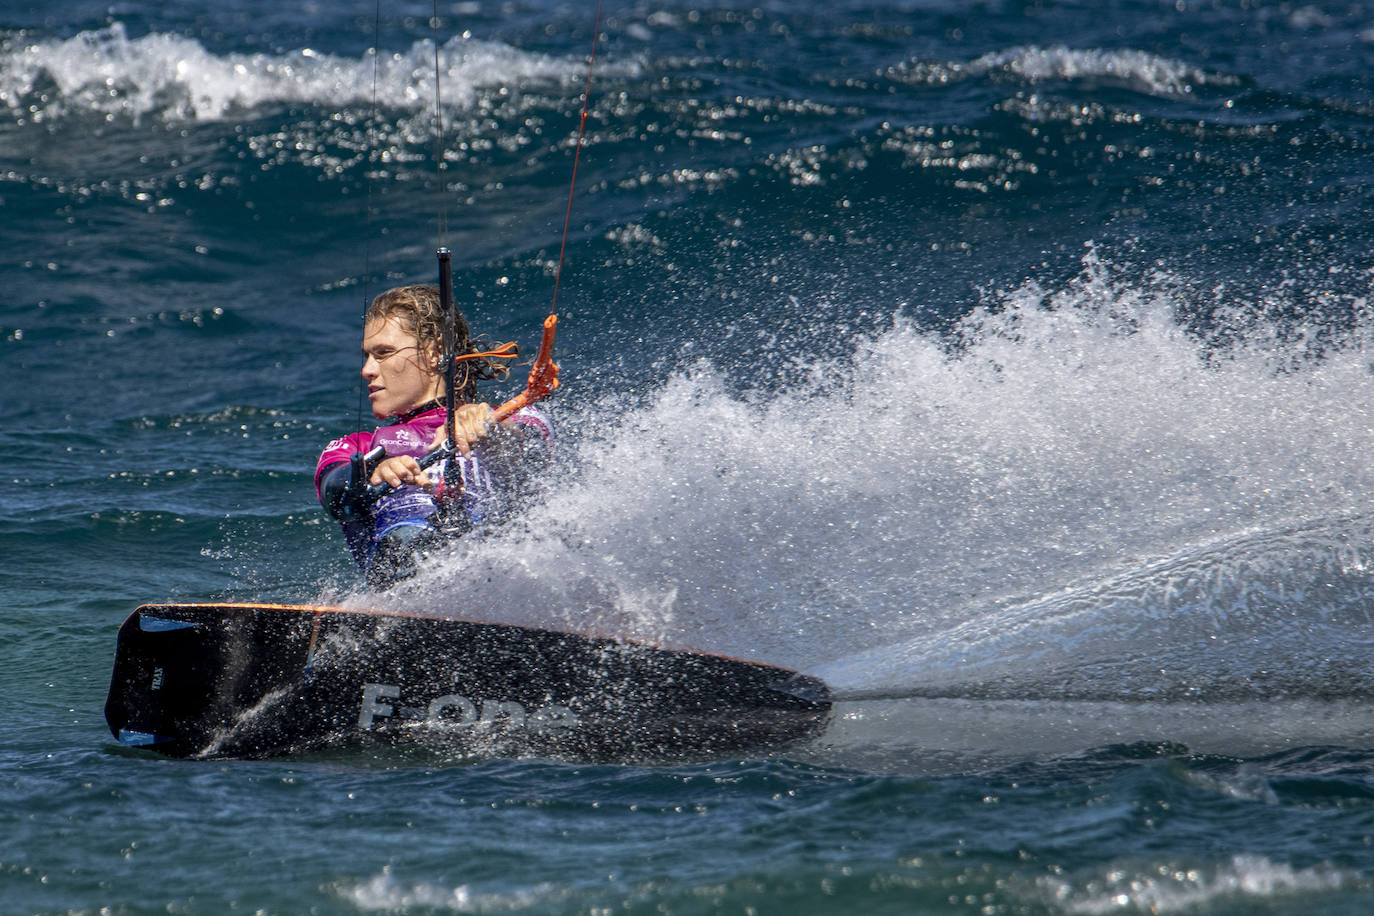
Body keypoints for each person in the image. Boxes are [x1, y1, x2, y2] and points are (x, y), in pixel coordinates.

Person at [314, 285, 552, 586]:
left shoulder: (502, 418)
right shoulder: (357, 447)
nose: (367, 370)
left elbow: (536, 450)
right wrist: (372, 471)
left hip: (499, 581)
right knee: (405, 541)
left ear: (435, 353)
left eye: (383, 353)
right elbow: (335, 495)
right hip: (399, 589)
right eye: (367, 356)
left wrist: (492, 430)